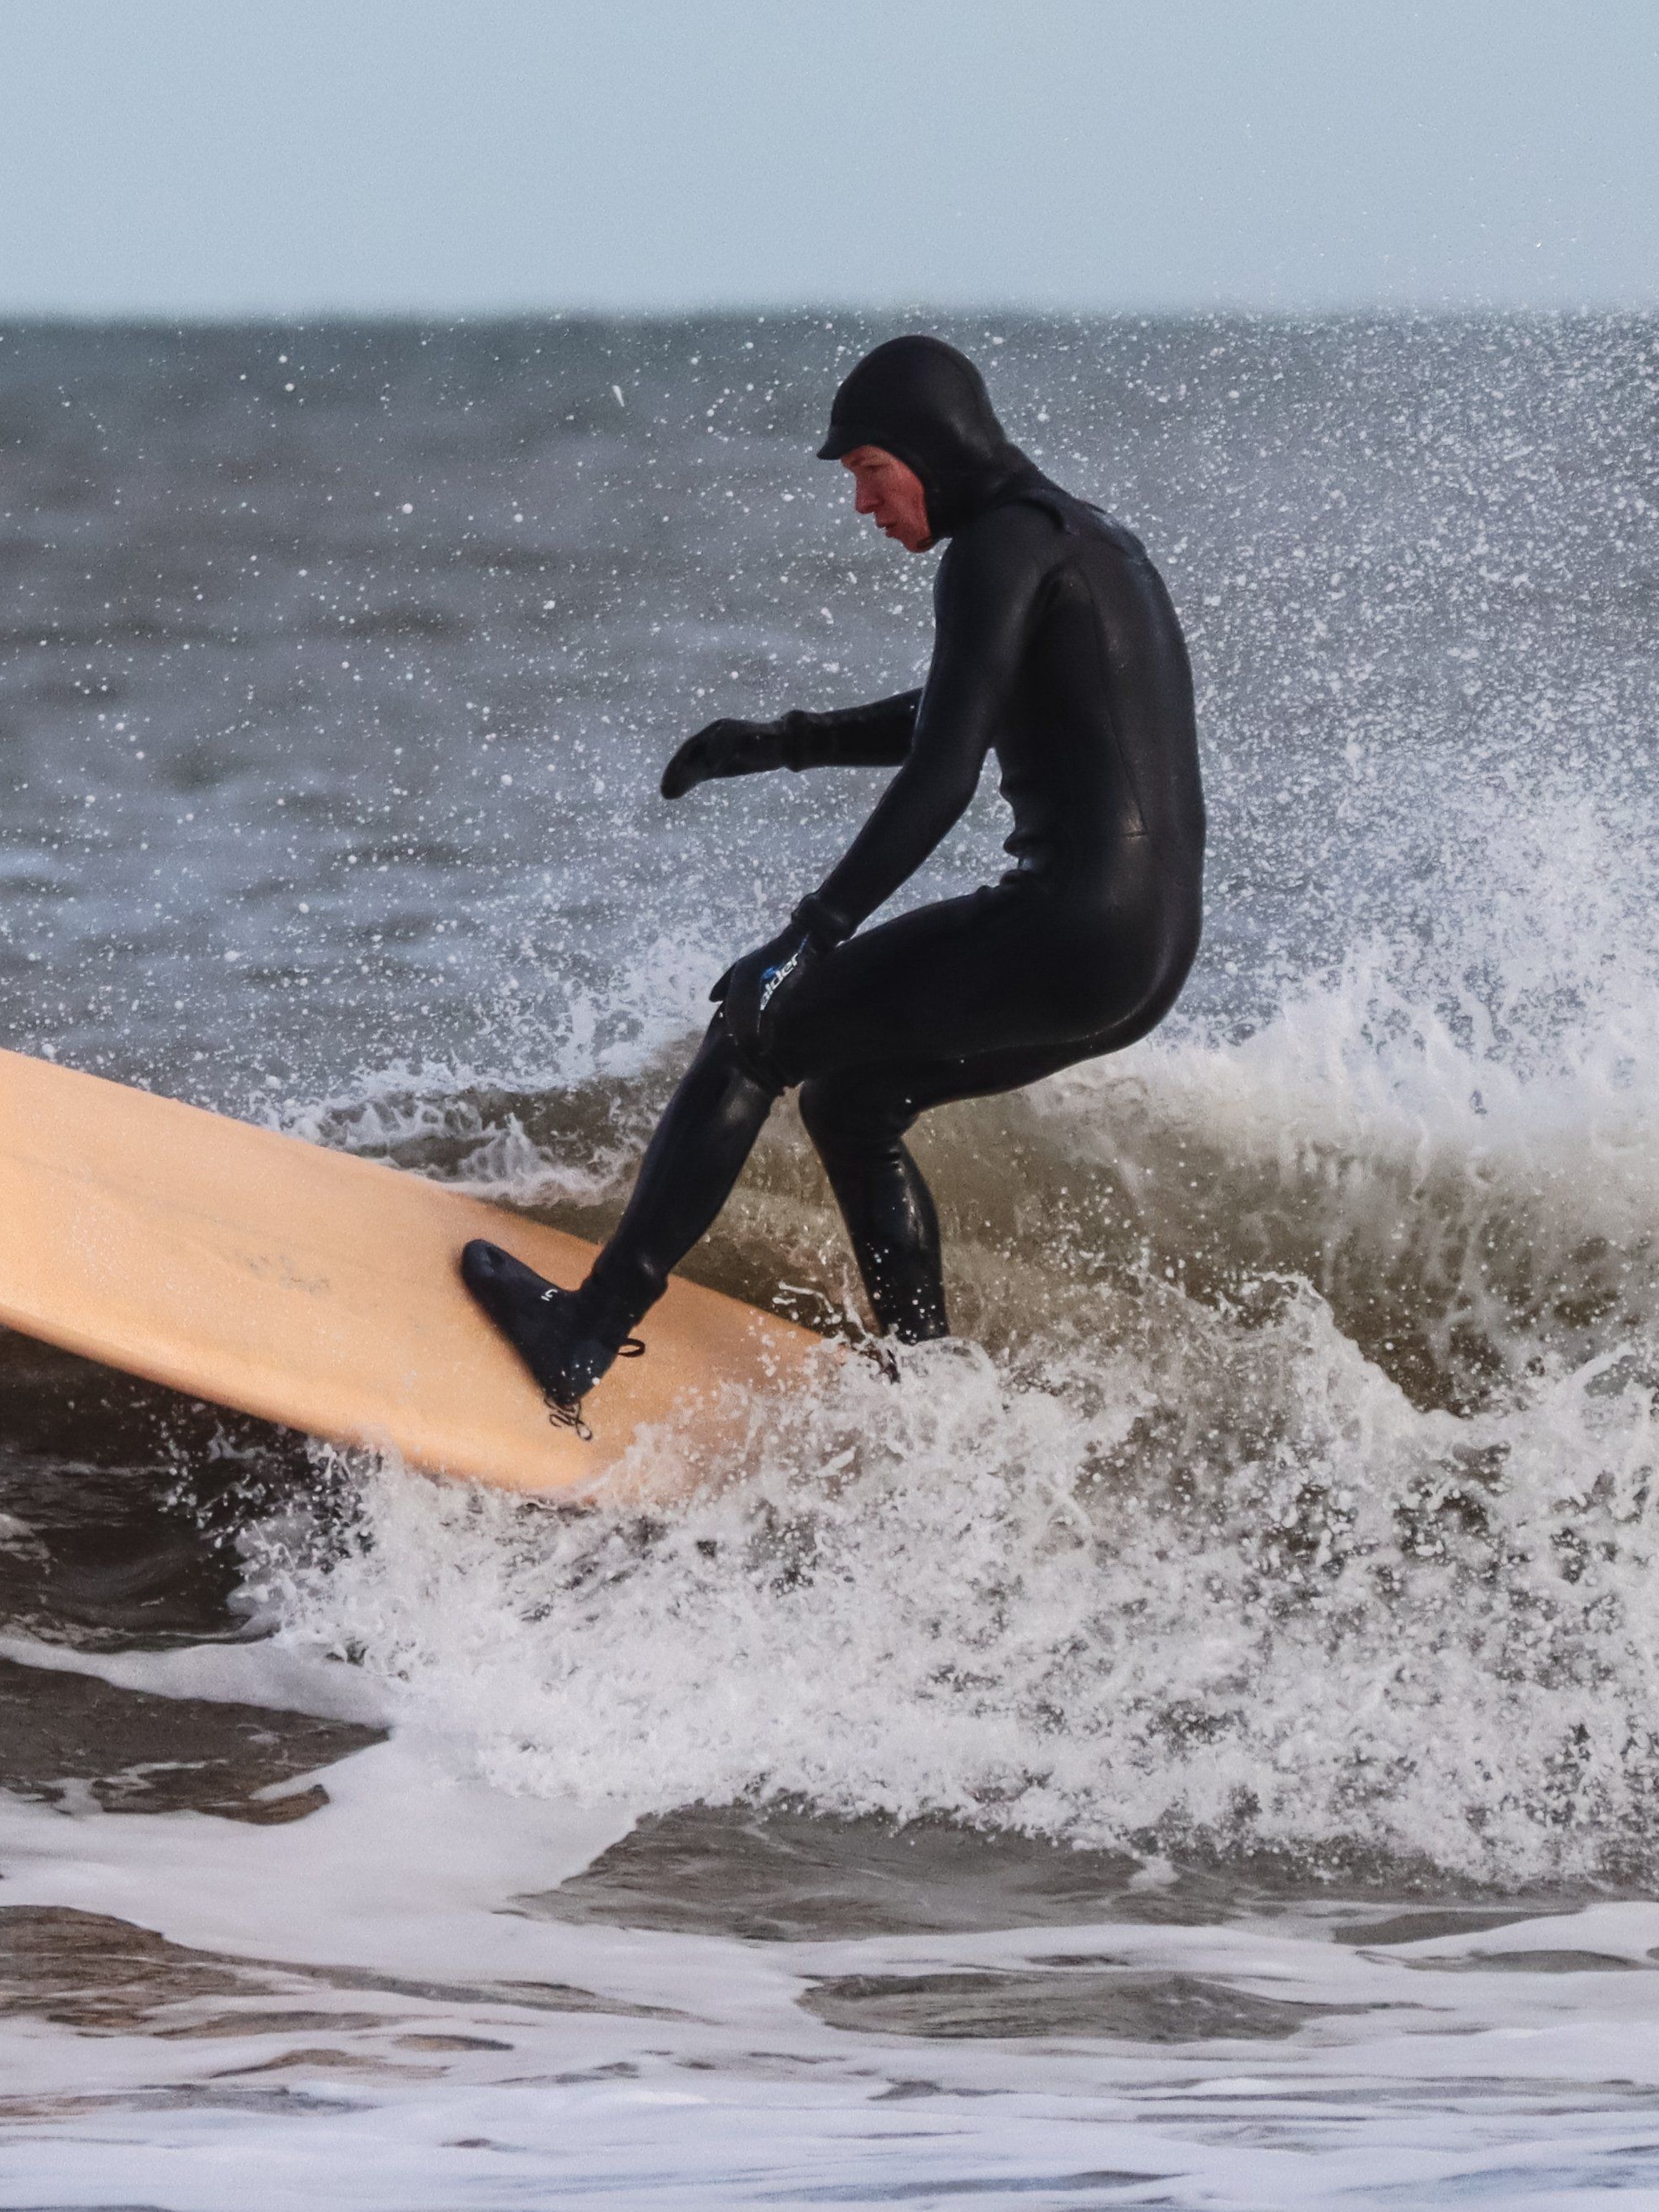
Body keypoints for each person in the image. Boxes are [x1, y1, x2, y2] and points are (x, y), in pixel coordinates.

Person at [457, 334, 1204, 1420]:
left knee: (756, 1025)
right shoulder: (1087, 541)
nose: (861, 504)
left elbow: (947, 768)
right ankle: (924, 1394)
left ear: (928, 451)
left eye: (866, 471)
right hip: (1148, 953)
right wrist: (780, 742)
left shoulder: (995, 547)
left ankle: (585, 1327)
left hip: (1069, 924)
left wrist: (808, 937)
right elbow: (961, 708)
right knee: (852, 1099)